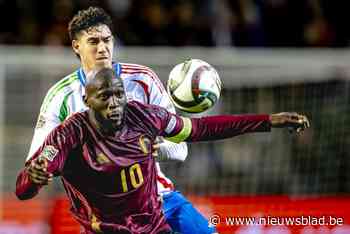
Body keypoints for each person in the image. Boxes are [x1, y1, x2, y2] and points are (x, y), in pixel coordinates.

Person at [16, 68, 310, 233]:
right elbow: (24, 189)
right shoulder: (69, 133)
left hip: (155, 224)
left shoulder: (143, 116)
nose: (115, 102)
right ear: (87, 99)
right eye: (105, 96)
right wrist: (33, 178)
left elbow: (201, 129)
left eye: (119, 94)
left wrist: (268, 121)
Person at [24, 6, 214, 234]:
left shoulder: (143, 80)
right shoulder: (60, 97)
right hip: (107, 218)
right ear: (76, 46)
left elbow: (180, 148)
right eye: (93, 42)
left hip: (160, 199)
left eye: (107, 40)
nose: (102, 48)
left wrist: (158, 149)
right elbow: (37, 161)